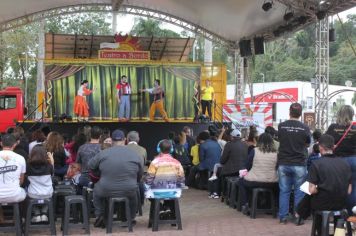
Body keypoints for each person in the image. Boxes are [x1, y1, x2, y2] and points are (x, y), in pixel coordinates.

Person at [296, 134, 352, 231]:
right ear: (334, 147)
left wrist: (320, 188)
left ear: (320, 148)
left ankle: (318, 229)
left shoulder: (317, 164)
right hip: (341, 203)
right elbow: (349, 190)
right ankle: (336, 229)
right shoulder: (345, 163)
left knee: (309, 196)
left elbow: (312, 190)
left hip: (323, 203)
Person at [89, 129, 143, 228]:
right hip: (129, 189)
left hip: (106, 189)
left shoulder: (103, 153)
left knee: (96, 191)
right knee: (134, 194)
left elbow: (90, 166)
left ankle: (100, 215)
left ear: (112, 140)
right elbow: (140, 174)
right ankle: (130, 218)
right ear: (125, 140)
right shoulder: (135, 154)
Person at [277, 103, 311, 225]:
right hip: (299, 163)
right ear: (300, 114)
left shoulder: (281, 126)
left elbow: (280, 139)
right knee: (299, 191)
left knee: (284, 190)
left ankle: (283, 217)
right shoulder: (305, 128)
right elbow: (308, 144)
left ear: (289, 112)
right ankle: (297, 216)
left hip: (283, 162)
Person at [325, 105, 356, 214]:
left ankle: (337, 213)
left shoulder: (333, 127)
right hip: (353, 160)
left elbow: (324, 142)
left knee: (336, 186)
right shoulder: (355, 127)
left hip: (337, 161)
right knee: (353, 187)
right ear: (352, 114)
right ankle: (351, 213)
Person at [238, 133, 278, 215]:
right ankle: (272, 206)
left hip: (254, 181)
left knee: (241, 182)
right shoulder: (276, 153)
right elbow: (277, 167)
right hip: (271, 182)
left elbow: (247, 165)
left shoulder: (254, 151)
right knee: (278, 188)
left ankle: (246, 204)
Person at [145, 139, 185, 218]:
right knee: (170, 195)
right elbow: (182, 179)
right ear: (172, 149)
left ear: (159, 149)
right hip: (173, 192)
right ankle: (169, 211)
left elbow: (149, 179)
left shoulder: (154, 162)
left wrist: (146, 186)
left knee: (146, 191)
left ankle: (160, 208)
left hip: (157, 192)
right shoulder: (177, 162)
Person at [208, 129, 248, 199]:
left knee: (216, 171)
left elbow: (222, 161)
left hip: (231, 171)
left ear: (232, 137)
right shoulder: (245, 145)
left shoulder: (229, 145)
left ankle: (216, 192)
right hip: (243, 171)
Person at [26, 145, 54, 223]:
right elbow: (52, 176)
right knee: (48, 197)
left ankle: (37, 214)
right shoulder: (49, 166)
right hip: (48, 194)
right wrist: (52, 161)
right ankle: (44, 213)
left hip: (33, 194)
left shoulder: (28, 166)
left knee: (27, 194)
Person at [0, 134, 26, 203]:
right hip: (14, 195)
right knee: (24, 191)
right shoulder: (21, 158)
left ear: (1, 143)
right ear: (14, 144)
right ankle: (18, 214)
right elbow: (21, 181)